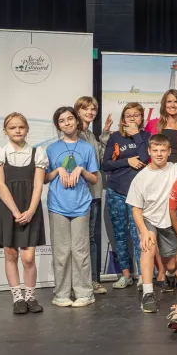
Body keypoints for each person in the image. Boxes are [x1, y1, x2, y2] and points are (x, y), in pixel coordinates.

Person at [0, 112, 48, 314]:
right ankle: (18, 298)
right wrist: (15, 212)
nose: (17, 131)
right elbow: (0, 185)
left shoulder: (37, 153)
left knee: (28, 257)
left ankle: (30, 296)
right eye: (12, 127)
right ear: (5, 131)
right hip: (7, 208)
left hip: (30, 207)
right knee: (11, 253)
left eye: (21, 127)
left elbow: (39, 185)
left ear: (27, 129)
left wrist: (30, 211)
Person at [45, 106, 100, 308]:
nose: (67, 123)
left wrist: (81, 169)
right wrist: (58, 170)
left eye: (70, 119)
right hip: (57, 205)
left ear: (77, 121)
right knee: (61, 251)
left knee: (80, 250)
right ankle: (61, 293)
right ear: (57, 125)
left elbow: (94, 178)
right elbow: (44, 178)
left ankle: (85, 292)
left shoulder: (87, 148)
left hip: (81, 205)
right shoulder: (51, 149)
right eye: (62, 120)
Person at [128, 134, 177, 312]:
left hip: (169, 222)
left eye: (163, 150)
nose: (159, 154)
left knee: (170, 264)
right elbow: (136, 209)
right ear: (149, 151)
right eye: (155, 150)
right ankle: (148, 293)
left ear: (169, 152)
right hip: (149, 219)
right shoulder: (141, 177)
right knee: (148, 245)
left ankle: (169, 275)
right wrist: (144, 231)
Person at [102, 102, 150, 290]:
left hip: (138, 194)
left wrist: (136, 135)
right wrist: (126, 161)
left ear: (141, 119)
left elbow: (145, 158)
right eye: (128, 115)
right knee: (120, 234)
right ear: (122, 119)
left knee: (139, 235)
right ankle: (126, 275)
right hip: (116, 191)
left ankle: (143, 275)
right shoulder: (115, 137)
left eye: (136, 115)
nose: (131, 118)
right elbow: (105, 165)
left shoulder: (146, 136)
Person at [75, 96, 110, 296]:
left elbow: (101, 160)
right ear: (77, 111)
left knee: (91, 238)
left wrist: (105, 133)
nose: (90, 112)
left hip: (94, 193)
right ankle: (80, 280)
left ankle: (93, 280)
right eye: (85, 108)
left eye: (93, 109)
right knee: (80, 239)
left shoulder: (90, 135)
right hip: (78, 194)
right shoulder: (75, 134)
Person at [144, 89, 177, 164]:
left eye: (176, 102)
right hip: (157, 169)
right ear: (164, 104)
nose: (172, 105)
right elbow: (145, 149)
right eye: (169, 101)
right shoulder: (152, 124)